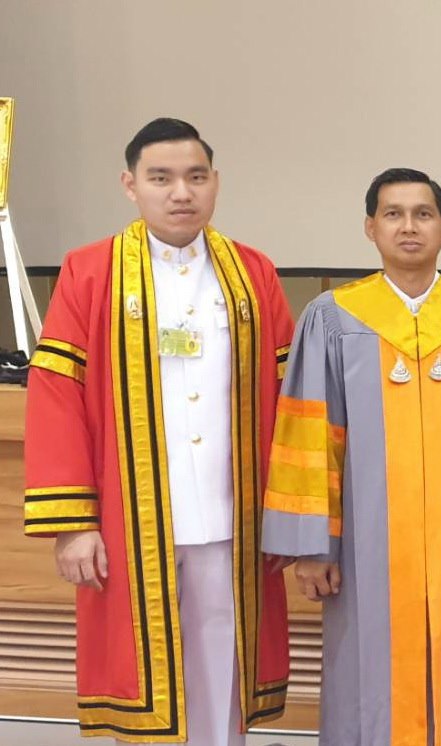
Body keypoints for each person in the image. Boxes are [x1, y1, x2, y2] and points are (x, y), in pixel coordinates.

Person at [23, 117, 293, 744]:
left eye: (196, 177)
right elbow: (56, 398)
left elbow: (291, 403)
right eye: (162, 178)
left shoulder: (253, 273)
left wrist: (288, 513)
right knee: (144, 679)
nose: (181, 193)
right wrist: (74, 523)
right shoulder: (89, 272)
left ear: (215, 181)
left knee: (223, 672)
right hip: (131, 519)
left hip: (233, 520)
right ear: (130, 184)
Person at [260, 168, 441, 745]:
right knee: (367, 676)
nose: (409, 226)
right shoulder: (333, 319)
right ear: (371, 227)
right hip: (364, 549)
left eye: (423, 214)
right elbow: (311, 437)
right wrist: (313, 546)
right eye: (393, 214)